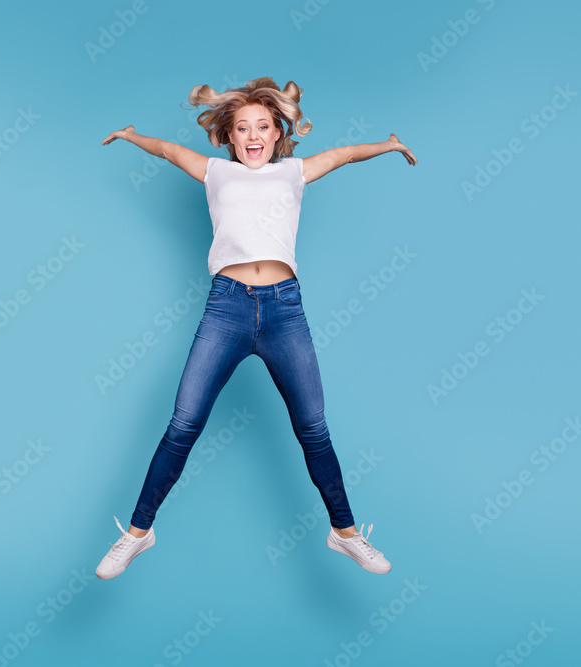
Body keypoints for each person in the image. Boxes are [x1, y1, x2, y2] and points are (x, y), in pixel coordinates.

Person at [96, 76, 416, 579]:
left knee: (313, 428)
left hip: (285, 311)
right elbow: (167, 150)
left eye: (262, 126)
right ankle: (137, 533)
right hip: (226, 309)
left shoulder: (293, 172)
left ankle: (345, 534)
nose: (252, 134)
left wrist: (389, 146)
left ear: (277, 133)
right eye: (242, 126)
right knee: (183, 425)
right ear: (227, 135)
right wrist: (134, 135)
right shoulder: (216, 173)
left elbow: (346, 154)